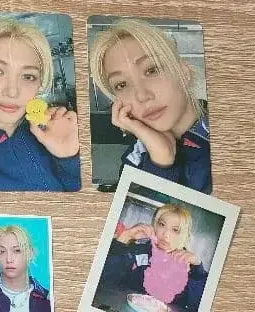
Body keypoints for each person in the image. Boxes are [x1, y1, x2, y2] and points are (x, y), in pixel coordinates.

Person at [0, 18, 80, 191]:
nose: (12, 92)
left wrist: (68, 157)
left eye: (28, 76)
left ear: (39, 84)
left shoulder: (49, 131)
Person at [90, 19, 211, 194]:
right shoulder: (135, 159)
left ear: (184, 72)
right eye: (121, 84)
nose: (142, 95)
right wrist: (160, 161)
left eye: (152, 70)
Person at [99, 203, 208, 311]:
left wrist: (197, 270)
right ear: (155, 225)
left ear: (185, 235)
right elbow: (103, 282)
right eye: (162, 224)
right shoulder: (137, 250)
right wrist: (124, 238)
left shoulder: (189, 266)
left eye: (175, 230)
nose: (165, 234)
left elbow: (198, 308)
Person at [0, 224, 51, 312]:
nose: (9, 259)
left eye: (17, 250)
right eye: (1, 251)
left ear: (30, 253)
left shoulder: (49, 300)